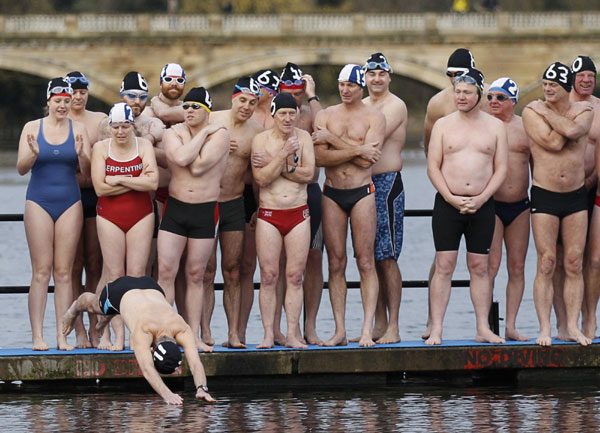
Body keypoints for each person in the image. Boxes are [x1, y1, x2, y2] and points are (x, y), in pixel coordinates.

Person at [426, 68, 507, 346]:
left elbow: (501, 169)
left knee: (479, 266)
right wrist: (450, 197)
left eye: (467, 92)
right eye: (457, 92)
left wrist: (482, 198)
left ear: (479, 94)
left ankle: (483, 327)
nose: (461, 97)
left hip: (482, 205)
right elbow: (433, 167)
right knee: (444, 265)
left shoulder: (495, 126)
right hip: (448, 203)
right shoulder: (443, 125)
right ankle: (436, 329)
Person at [312, 64, 385, 347]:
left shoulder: (374, 117)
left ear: (361, 87)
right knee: (336, 262)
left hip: (362, 193)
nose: (345, 90)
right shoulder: (325, 115)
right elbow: (320, 158)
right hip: (332, 193)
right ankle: (340, 330)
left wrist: (333, 141)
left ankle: (366, 330)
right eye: (342, 84)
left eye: (351, 86)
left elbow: (370, 161)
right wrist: (356, 149)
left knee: (365, 261)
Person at [16, 77, 91, 350]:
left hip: (70, 202)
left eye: (66, 101)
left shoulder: (79, 128)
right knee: (41, 271)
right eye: (57, 101)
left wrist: (82, 153)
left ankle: (62, 335)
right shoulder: (32, 128)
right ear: (48, 101)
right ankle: (37, 335)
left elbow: (87, 170)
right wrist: (34, 153)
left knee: (64, 272)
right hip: (38, 201)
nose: (62, 106)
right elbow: (21, 168)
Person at [522, 62, 593, 346]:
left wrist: (549, 113)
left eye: (553, 85)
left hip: (575, 196)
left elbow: (576, 133)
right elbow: (552, 143)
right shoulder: (529, 111)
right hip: (545, 194)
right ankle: (544, 329)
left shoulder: (585, 110)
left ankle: (572, 327)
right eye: (545, 84)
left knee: (574, 262)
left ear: (566, 88)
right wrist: (561, 122)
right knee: (547, 262)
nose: (547, 89)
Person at [61, 275, 215, 405]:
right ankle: (74, 308)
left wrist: (202, 387)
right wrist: (167, 394)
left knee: (125, 310)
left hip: (152, 286)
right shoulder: (145, 330)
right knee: (92, 305)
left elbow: (196, 363)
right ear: (153, 350)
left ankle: (108, 317)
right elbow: (147, 369)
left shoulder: (181, 327)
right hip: (119, 291)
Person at [157, 87, 229, 351]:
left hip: (204, 210)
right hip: (175, 208)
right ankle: (165, 333)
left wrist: (206, 133)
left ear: (207, 111)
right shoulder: (172, 133)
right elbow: (180, 157)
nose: (189, 111)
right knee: (166, 272)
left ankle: (193, 335)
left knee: (196, 275)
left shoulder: (221, 134)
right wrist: (203, 134)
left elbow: (197, 167)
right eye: (186, 107)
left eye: (195, 107)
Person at [202, 76, 263, 349]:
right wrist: (216, 147)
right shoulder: (210, 120)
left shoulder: (256, 131)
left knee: (233, 270)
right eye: (243, 100)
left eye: (252, 102)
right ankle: (204, 332)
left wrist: (260, 207)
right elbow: (185, 148)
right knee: (205, 270)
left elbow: (257, 176)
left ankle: (234, 334)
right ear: (233, 98)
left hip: (235, 204)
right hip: (206, 202)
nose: (247, 106)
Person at [92, 102, 158, 350]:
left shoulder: (144, 145)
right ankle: (113, 336)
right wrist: (136, 180)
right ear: (110, 126)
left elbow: (153, 182)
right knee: (114, 276)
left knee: (138, 277)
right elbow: (100, 188)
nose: (120, 132)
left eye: (125, 127)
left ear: (133, 126)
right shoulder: (101, 148)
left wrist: (119, 178)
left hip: (141, 215)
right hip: (109, 215)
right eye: (116, 127)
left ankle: (137, 335)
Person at [252, 93, 315, 349]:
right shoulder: (261, 140)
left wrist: (279, 164)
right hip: (269, 214)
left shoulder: (305, 138)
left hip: (298, 213)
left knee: (295, 276)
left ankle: (291, 334)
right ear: (274, 115)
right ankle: (269, 334)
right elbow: (262, 179)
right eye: (283, 114)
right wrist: (282, 157)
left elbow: (310, 174)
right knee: (268, 275)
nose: (288, 118)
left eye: (292, 113)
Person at [362, 52, 407, 344]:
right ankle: (378, 322)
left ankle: (394, 325)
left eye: (382, 74)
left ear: (389, 76)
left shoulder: (396, 106)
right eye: (371, 74)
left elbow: (372, 141)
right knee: (369, 257)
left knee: (387, 256)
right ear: (364, 77)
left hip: (387, 182)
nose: (376, 79)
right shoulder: (362, 105)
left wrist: (333, 135)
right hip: (364, 183)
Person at [279, 62, 324, 345]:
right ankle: (284, 328)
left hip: (309, 192)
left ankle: (310, 326)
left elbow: (324, 125)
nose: (294, 98)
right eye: (290, 92)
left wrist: (312, 96)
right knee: (282, 265)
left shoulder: (308, 114)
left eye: (299, 92)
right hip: (279, 196)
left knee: (315, 259)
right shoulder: (271, 115)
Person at [486, 77, 531, 341]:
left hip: (520, 206)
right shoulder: (483, 126)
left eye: (500, 97)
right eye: (490, 96)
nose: (493, 101)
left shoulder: (526, 127)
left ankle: (511, 326)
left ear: (512, 101)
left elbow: (538, 165)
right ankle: (485, 325)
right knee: (490, 267)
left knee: (517, 266)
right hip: (491, 205)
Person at [65, 71, 107, 348]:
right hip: (67, 196)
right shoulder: (56, 121)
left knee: (95, 264)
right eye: (73, 92)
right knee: (72, 266)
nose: (78, 97)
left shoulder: (100, 121)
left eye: (82, 92)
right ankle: (77, 328)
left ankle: (96, 327)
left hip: (94, 194)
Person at [569, 56, 600, 339]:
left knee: (594, 259)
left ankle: (590, 319)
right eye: (582, 75)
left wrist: (592, 181)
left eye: (591, 75)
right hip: (566, 192)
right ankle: (566, 322)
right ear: (573, 78)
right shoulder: (560, 105)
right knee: (562, 258)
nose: (587, 80)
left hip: (594, 189)